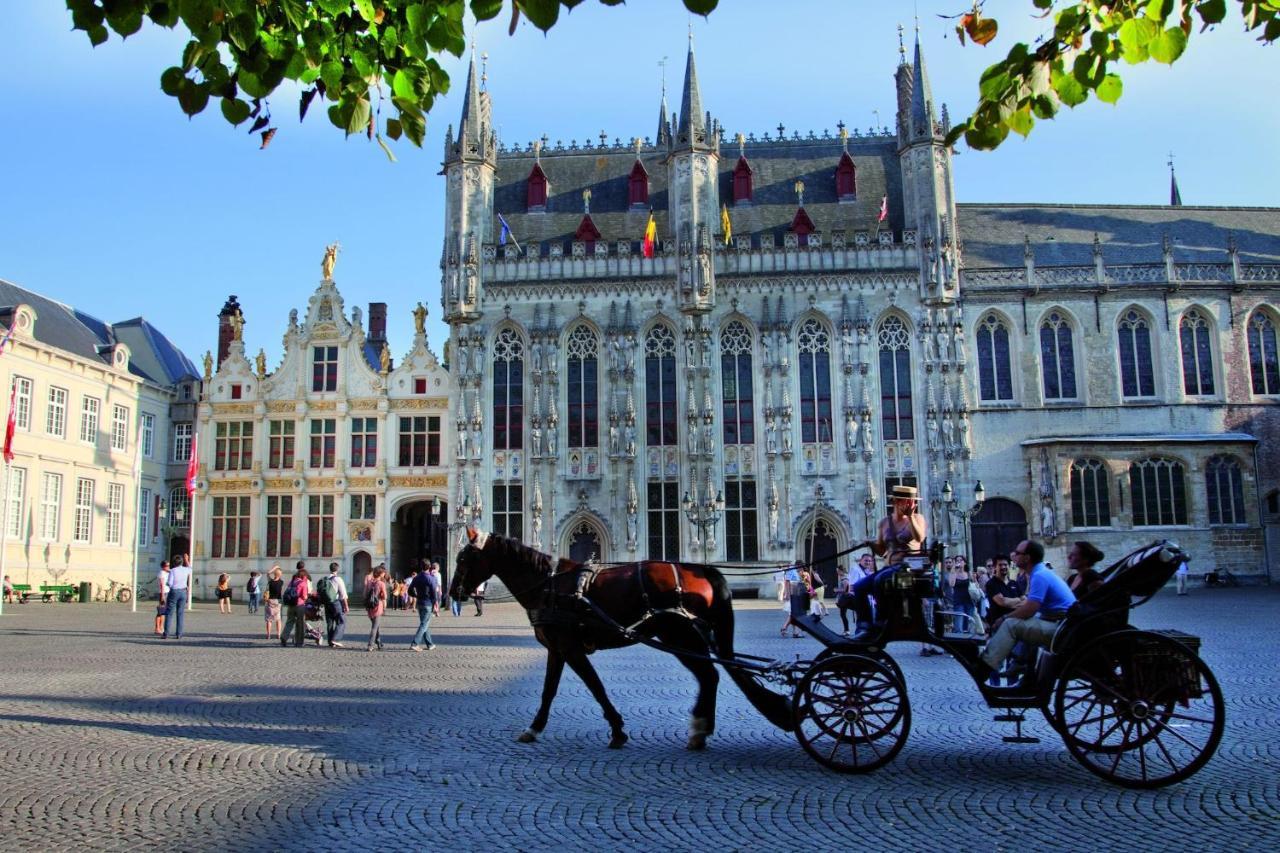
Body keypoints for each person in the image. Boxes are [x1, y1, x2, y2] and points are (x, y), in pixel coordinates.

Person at [979, 540, 1076, 683]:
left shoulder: (1039, 575)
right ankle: (1022, 665)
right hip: (1059, 623)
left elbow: (1030, 608)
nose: (1014, 556)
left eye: (1018, 553)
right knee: (1021, 623)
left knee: (1011, 625)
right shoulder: (1040, 573)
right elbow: (1024, 603)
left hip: (1061, 627)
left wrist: (1004, 618)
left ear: (1027, 558)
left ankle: (984, 667)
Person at [850, 484, 928, 639]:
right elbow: (882, 551)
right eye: (906, 501)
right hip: (890, 567)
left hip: (909, 568)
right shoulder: (884, 522)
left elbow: (920, 538)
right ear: (896, 502)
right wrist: (871, 543)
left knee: (879, 580)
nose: (909, 504)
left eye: (911, 501)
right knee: (859, 587)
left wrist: (911, 517)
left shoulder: (918, 518)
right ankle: (864, 625)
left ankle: (881, 621)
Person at [409, 564, 441, 651]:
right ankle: (415, 643)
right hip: (428, 603)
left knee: (424, 623)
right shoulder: (431, 578)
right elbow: (434, 593)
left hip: (420, 603)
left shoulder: (417, 577)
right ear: (429, 567)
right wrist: (435, 604)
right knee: (424, 624)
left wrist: (415, 595)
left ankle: (430, 644)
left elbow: (409, 590)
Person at [162, 555, 193, 640]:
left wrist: (169, 585)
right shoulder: (186, 570)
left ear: (174, 563)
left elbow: (170, 583)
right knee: (180, 613)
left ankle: (166, 633)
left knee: (169, 613)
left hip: (174, 591)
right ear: (182, 562)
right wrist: (187, 560)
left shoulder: (172, 571)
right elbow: (190, 568)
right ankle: (179, 633)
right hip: (183, 591)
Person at [282, 562, 312, 648]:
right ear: (303, 576)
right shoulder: (303, 583)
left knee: (289, 622)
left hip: (290, 605)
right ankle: (299, 642)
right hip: (299, 605)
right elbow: (304, 596)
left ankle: (284, 637)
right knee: (300, 624)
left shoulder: (291, 582)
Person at [319, 562, 349, 648]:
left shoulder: (325, 578)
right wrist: (346, 606)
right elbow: (343, 594)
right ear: (337, 569)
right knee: (341, 621)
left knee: (330, 622)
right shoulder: (338, 579)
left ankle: (330, 641)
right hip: (335, 602)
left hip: (327, 603)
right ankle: (335, 639)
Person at [948, 556, 977, 635]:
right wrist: (955, 571)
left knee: (968, 623)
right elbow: (951, 584)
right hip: (958, 601)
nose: (959, 562)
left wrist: (975, 579)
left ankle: (968, 641)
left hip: (969, 600)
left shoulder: (968, 573)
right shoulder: (953, 573)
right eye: (957, 560)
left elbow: (974, 586)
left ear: (965, 562)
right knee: (959, 624)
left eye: (961, 560)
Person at [365, 564, 388, 651]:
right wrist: (385, 608)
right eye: (383, 573)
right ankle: (370, 645)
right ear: (380, 574)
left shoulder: (370, 582)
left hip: (370, 606)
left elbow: (365, 593)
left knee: (376, 625)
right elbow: (385, 597)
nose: (384, 574)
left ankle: (379, 642)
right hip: (378, 606)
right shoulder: (381, 583)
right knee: (374, 627)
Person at [264, 565, 284, 641]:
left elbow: (268, 573)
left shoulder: (270, 582)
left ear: (274, 574)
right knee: (278, 619)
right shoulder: (281, 582)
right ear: (280, 575)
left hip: (269, 601)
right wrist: (278, 569)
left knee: (269, 619)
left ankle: (268, 635)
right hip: (278, 601)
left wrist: (275, 567)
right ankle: (278, 634)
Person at [154, 561, 170, 636]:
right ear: (163, 566)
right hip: (163, 593)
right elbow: (161, 585)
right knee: (160, 611)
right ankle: (157, 628)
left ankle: (161, 627)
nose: (168, 567)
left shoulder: (167, 573)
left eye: (169, 565)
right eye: (167, 566)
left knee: (164, 611)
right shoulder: (161, 573)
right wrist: (163, 595)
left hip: (167, 592)